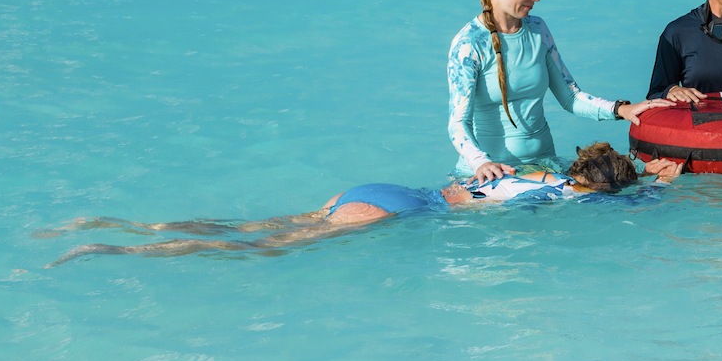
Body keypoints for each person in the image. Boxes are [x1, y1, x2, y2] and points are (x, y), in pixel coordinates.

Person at [44, 145, 683, 266]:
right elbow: (630, 203)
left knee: (262, 226)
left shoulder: (534, 171)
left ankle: (113, 224)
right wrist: (660, 181)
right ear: (598, 187)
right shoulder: (563, 198)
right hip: (403, 214)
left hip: (389, 192)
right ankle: (114, 249)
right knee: (264, 249)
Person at [450, 0, 673, 182]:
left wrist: (621, 109)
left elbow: (570, 96)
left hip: (544, 166)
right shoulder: (469, 43)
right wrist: (481, 163)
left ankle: (647, 178)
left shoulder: (538, 29)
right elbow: (458, 123)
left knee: (615, 184)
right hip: (491, 174)